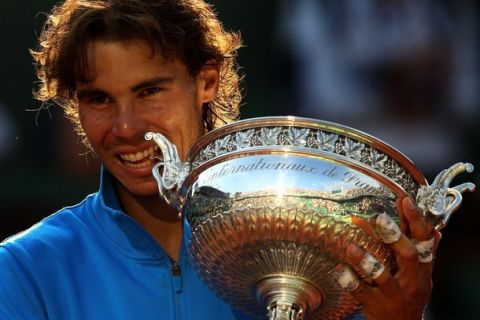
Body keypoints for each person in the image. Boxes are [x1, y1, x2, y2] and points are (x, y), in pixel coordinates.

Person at [0, 1, 441, 319]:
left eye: (150, 91)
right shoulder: (24, 267)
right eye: (99, 99)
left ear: (206, 81)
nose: (126, 128)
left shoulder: (327, 251)